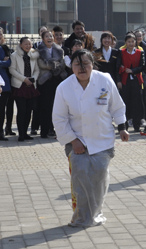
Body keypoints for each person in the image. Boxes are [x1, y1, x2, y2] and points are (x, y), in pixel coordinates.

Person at [53, 50, 129, 227]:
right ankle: (80, 217)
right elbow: (59, 118)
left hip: (102, 138)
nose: (81, 68)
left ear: (93, 64)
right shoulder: (64, 87)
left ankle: (95, 214)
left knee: (98, 181)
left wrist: (122, 128)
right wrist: (73, 141)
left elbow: (117, 106)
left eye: (85, 63)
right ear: (71, 66)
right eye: (77, 64)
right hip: (77, 140)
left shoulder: (104, 80)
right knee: (80, 180)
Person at [37, 30, 67, 139]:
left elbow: (62, 63)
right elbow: (42, 64)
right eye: (47, 36)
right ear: (43, 38)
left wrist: (56, 66)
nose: (49, 38)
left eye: (51, 36)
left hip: (57, 79)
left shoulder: (59, 50)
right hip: (45, 81)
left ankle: (53, 130)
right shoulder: (39, 50)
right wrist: (54, 64)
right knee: (45, 106)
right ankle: (44, 131)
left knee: (56, 106)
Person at [10, 37, 40, 142]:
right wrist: (24, 79)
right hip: (20, 86)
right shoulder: (14, 56)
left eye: (29, 44)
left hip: (31, 86)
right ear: (21, 44)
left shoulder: (33, 56)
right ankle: (21, 134)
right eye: (26, 44)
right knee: (21, 110)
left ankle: (26, 133)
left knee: (29, 110)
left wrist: (33, 79)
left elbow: (36, 70)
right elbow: (12, 70)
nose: (28, 46)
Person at [117, 33, 145, 132]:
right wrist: (119, 80)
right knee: (125, 102)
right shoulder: (121, 52)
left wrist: (133, 70)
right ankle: (124, 126)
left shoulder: (140, 52)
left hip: (136, 80)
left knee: (137, 102)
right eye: (129, 41)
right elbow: (118, 66)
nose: (131, 43)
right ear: (125, 43)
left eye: (132, 41)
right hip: (125, 81)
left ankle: (137, 126)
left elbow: (142, 66)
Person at [0, 27, 12, 141]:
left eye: (0, 34)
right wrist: (3, 62)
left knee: (1, 110)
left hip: (4, 83)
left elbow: (9, 62)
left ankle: (0, 132)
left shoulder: (4, 48)